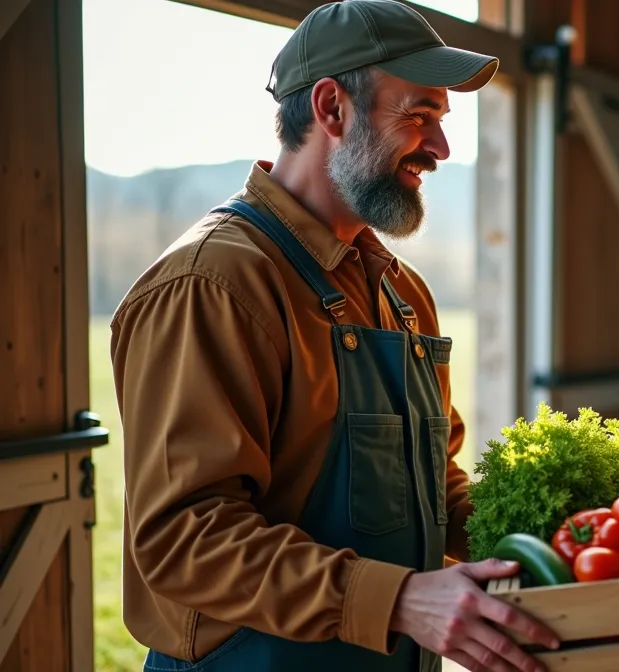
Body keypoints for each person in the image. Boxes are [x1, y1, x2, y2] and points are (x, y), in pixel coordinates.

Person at [110, 2, 557, 671]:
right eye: (420, 116)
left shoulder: (403, 294)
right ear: (332, 109)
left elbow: (434, 490)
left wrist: (552, 537)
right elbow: (184, 538)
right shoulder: (214, 284)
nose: (441, 150)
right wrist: (400, 600)